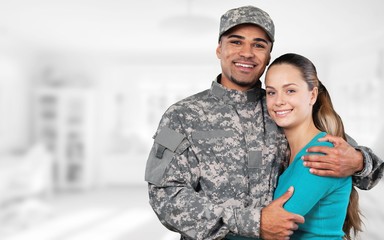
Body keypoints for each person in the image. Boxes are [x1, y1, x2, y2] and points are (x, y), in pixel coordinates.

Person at [144, 5, 384, 240]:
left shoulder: (283, 109)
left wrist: (358, 161)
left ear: (269, 55)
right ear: (219, 49)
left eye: (258, 45)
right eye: (236, 42)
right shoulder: (179, 116)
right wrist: (253, 223)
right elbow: (164, 196)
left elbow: (364, 169)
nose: (247, 52)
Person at [265, 53, 361, 239]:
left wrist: (213, 225)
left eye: (290, 90)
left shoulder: (321, 155)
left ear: (313, 95)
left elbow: (273, 229)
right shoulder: (290, 152)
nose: (278, 101)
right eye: (271, 92)